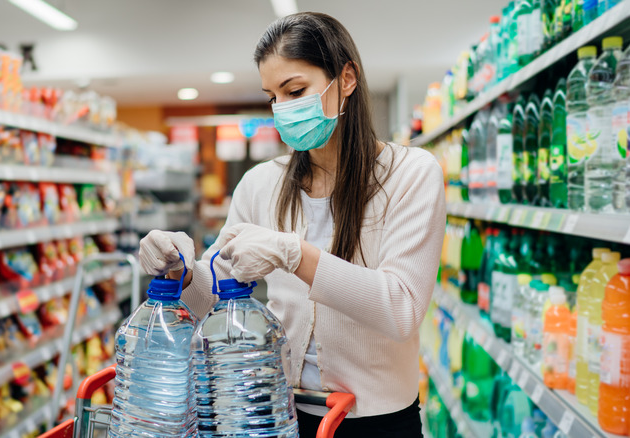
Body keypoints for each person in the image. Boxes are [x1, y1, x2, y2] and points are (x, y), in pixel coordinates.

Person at [139, 12, 445, 438]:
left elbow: (401, 309)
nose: (283, 109)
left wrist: (296, 254)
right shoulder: (260, 184)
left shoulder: (411, 174)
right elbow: (213, 296)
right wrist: (180, 269)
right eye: (273, 97)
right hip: (275, 413)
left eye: (295, 90)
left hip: (377, 421)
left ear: (347, 79)